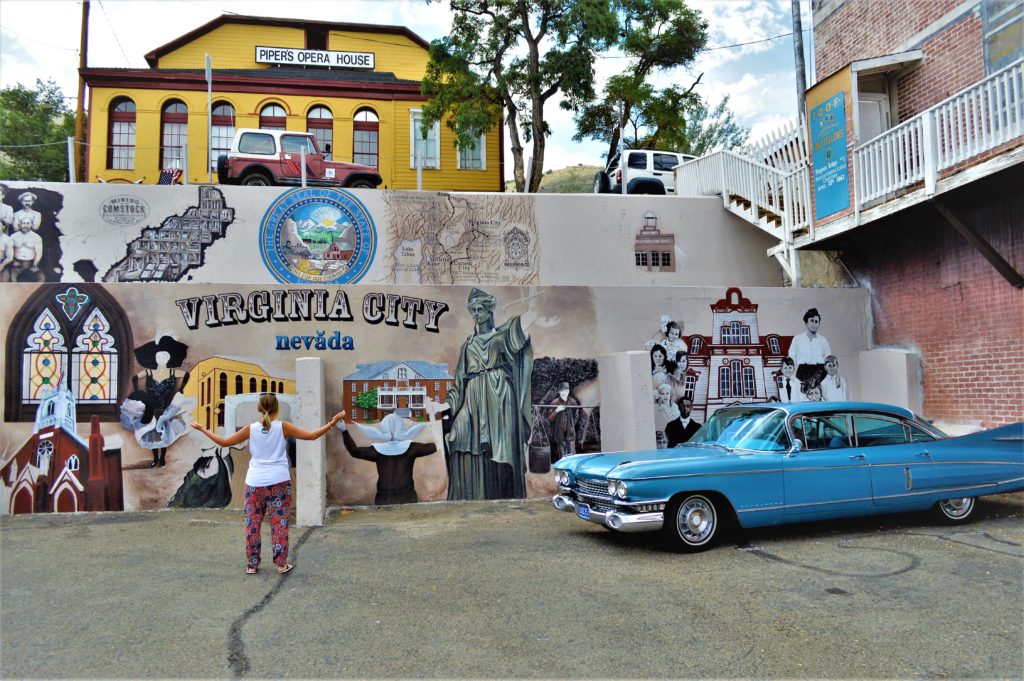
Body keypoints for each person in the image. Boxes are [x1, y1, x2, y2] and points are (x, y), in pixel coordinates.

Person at [191, 394, 345, 574]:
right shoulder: (283, 427)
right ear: (276, 408)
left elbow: (224, 442)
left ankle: (252, 565)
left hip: (253, 483)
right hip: (279, 483)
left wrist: (202, 429)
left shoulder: (251, 428)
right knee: (279, 524)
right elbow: (311, 436)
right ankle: (281, 564)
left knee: (252, 525)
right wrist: (332, 423)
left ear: (259, 408)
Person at [431, 288, 535, 500]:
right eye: (473, 311)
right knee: (458, 435)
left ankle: (501, 493)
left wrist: (532, 307)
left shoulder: (502, 336)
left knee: (501, 447)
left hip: (500, 397)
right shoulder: (468, 344)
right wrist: (447, 405)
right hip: (473, 398)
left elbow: (523, 329)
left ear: (489, 311)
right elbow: (459, 381)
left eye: (480, 309)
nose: (476, 314)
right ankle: (472, 493)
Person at [120, 337, 192, 467]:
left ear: (168, 359)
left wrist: (181, 389)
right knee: (152, 432)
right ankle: (155, 458)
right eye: (159, 357)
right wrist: (139, 392)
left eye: (164, 357)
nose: (161, 359)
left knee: (164, 431)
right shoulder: (149, 372)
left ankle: (162, 457)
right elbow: (135, 378)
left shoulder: (173, 372)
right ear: (155, 359)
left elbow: (187, 375)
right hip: (151, 407)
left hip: (166, 407)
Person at [337, 412, 436, 505]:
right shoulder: (411, 448)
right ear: (401, 427)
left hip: (384, 497)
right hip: (407, 496)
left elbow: (354, 451)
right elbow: (435, 446)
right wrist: (437, 424)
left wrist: (343, 430)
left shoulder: (377, 450)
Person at [789, 308, 832, 388]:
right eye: (811, 321)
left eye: (816, 321)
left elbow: (828, 359)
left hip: (820, 373)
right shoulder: (797, 339)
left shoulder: (823, 340)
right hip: (803, 373)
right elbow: (791, 358)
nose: (814, 324)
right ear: (806, 322)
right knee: (803, 393)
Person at [546, 381, 579, 463]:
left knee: (572, 453)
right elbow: (550, 418)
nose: (564, 393)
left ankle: (571, 467)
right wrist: (557, 410)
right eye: (562, 391)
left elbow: (576, 415)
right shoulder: (554, 403)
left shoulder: (573, 402)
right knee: (562, 454)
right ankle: (563, 468)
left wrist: (571, 425)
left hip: (570, 433)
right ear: (559, 392)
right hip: (559, 433)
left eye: (566, 391)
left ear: (568, 391)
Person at [9, 216, 43, 281]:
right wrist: (13, 261)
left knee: (41, 277)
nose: (25, 225)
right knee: (12, 279)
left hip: (31, 263)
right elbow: (8, 251)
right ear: (20, 224)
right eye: (23, 223)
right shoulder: (13, 236)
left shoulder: (37, 237)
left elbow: (39, 253)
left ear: (31, 225)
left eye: (28, 223)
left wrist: (35, 265)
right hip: (16, 263)